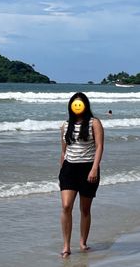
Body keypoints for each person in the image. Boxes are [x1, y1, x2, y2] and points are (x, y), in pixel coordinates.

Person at [59, 92, 104, 258]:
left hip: (88, 169)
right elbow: (64, 150)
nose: (77, 106)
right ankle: (66, 246)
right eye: (74, 103)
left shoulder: (94, 123)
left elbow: (99, 147)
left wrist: (94, 168)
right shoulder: (65, 125)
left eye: (80, 103)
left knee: (85, 209)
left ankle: (83, 242)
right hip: (69, 170)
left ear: (85, 105)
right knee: (66, 206)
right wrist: (62, 167)